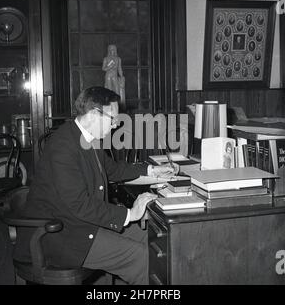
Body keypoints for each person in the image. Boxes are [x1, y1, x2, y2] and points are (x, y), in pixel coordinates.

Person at [14, 86, 176, 285]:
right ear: (93, 114)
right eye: (113, 118)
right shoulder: (63, 147)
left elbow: (113, 170)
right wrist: (130, 214)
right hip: (60, 234)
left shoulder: (85, 138)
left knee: (149, 237)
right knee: (140, 257)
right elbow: (79, 204)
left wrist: (152, 170)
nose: (116, 124)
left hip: (80, 222)